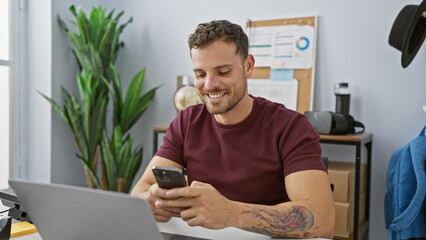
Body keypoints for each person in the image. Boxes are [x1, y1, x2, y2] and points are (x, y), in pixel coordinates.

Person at [131, 19, 335, 239]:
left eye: (223, 71)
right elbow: (140, 191)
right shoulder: (186, 122)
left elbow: (321, 220)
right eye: (200, 74)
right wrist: (152, 201)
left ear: (248, 67)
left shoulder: (290, 127)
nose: (209, 84)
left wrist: (230, 213)